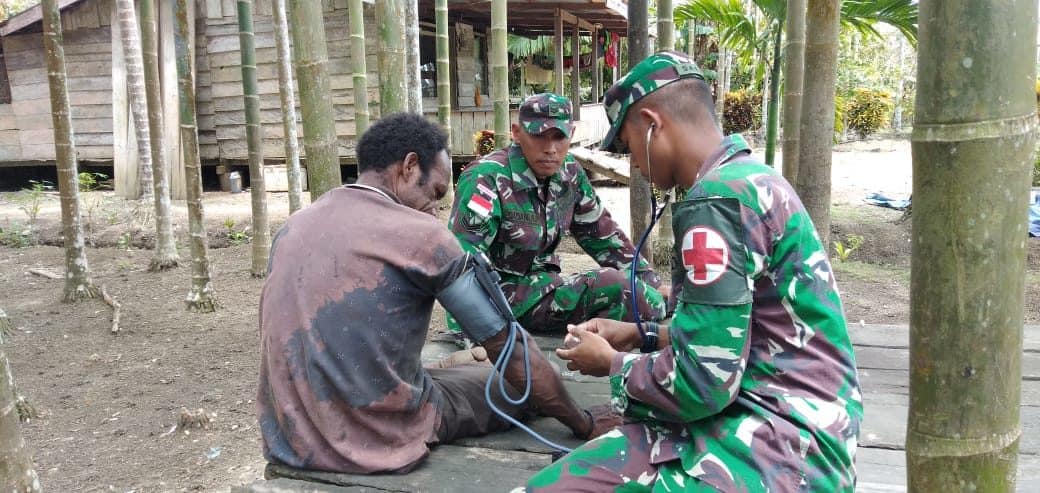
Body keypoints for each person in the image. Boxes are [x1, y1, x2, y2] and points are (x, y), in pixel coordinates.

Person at [524, 52, 863, 491]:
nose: (636, 167)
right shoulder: (751, 179)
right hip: (808, 431)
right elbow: (747, 334)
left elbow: (704, 381)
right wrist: (641, 335)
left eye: (629, 147)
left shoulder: (715, 203)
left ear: (652, 124)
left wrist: (612, 364)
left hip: (776, 448)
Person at [256, 113, 616, 475]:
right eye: (435, 194)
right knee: (521, 382)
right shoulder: (421, 235)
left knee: (458, 370)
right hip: (380, 440)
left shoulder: (294, 226)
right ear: (410, 167)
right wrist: (582, 421)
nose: (435, 210)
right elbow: (511, 352)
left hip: (292, 442)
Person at [448, 93, 667, 336]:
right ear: (517, 132)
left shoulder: (569, 173)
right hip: (499, 304)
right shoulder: (486, 179)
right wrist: (472, 337)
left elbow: (603, 236)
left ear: (571, 134)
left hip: (546, 293)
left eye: (558, 137)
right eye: (538, 136)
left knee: (644, 300)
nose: (550, 149)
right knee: (622, 289)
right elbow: (462, 262)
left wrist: (652, 282)